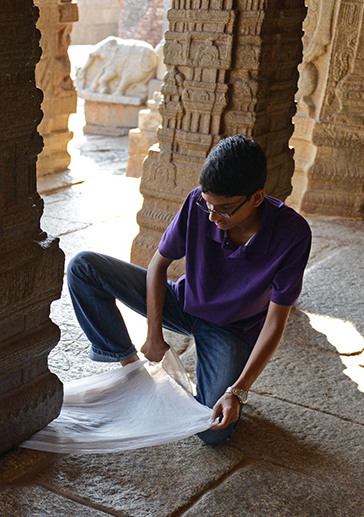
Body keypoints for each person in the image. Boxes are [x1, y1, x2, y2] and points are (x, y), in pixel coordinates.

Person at [67, 135, 311, 444]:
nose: (212, 217)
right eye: (208, 205)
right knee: (84, 267)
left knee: (213, 432)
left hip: (232, 329)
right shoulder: (199, 203)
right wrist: (154, 335)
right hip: (183, 301)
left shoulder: (292, 233)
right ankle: (131, 371)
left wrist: (237, 392)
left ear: (257, 198)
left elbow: (276, 321)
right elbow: (158, 265)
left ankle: (219, 394)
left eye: (224, 209)